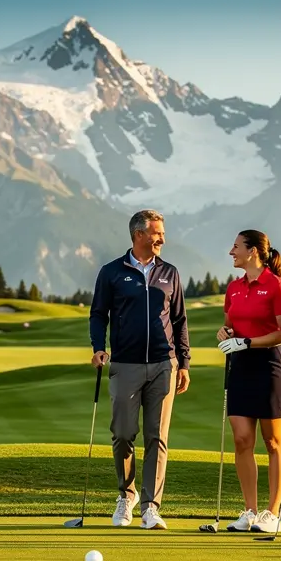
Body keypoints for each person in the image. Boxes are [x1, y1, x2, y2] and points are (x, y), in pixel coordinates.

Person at [89, 210, 191, 531]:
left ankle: (150, 506)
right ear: (138, 235)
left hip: (164, 364)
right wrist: (98, 346)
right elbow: (98, 314)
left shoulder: (169, 273)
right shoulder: (112, 272)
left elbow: (179, 321)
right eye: (157, 233)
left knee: (157, 437)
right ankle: (126, 495)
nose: (162, 238)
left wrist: (184, 363)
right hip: (125, 364)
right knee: (122, 434)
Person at [218, 230, 281, 534]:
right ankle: (250, 511)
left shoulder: (277, 286)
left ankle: (272, 513)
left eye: (236, 246)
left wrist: (247, 342)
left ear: (253, 251)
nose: (231, 252)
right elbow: (228, 326)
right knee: (241, 440)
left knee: (273, 441)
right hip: (240, 368)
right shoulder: (234, 287)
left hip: (269, 367)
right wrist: (225, 336)